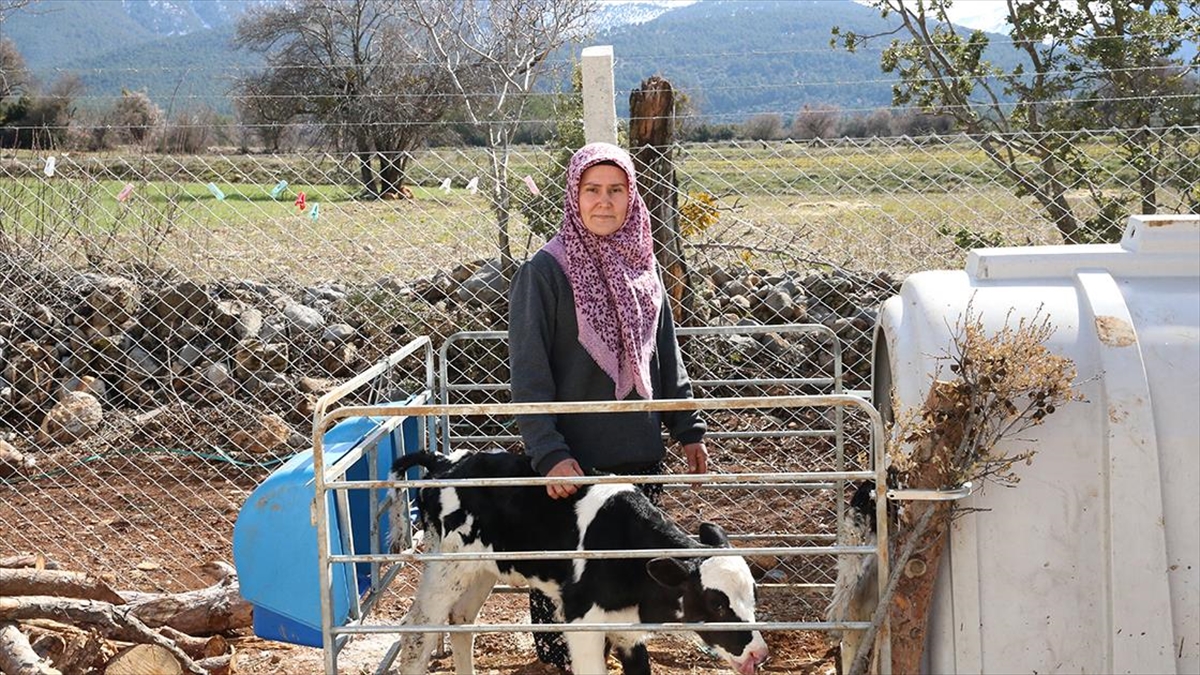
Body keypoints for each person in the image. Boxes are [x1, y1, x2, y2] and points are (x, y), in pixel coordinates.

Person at [507, 141, 709, 671]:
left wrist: (686, 426)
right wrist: (548, 453)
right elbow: (529, 374)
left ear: (632, 196)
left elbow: (665, 355)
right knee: (569, 588)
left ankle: (628, 659)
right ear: (573, 196)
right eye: (592, 189)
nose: (604, 201)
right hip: (572, 468)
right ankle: (562, 665)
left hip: (638, 457)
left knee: (632, 583)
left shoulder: (645, 265)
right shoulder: (544, 272)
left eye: (616, 190)